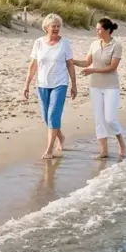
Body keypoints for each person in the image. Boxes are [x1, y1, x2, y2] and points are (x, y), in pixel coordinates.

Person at [24, 13, 77, 160]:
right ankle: (60, 136)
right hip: (42, 84)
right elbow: (33, 65)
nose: (56, 29)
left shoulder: (65, 43)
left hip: (60, 83)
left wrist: (74, 85)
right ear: (46, 27)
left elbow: (70, 65)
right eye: (54, 26)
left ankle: (49, 149)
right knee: (46, 118)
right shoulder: (38, 43)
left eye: (58, 26)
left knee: (53, 115)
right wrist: (27, 84)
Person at [75, 17, 126, 159]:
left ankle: (121, 142)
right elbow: (86, 62)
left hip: (111, 86)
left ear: (107, 30)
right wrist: (71, 61)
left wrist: (92, 70)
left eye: (99, 29)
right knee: (99, 119)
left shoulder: (116, 45)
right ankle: (103, 151)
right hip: (95, 86)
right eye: (96, 29)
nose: (96, 31)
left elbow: (112, 67)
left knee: (110, 119)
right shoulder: (94, 44)